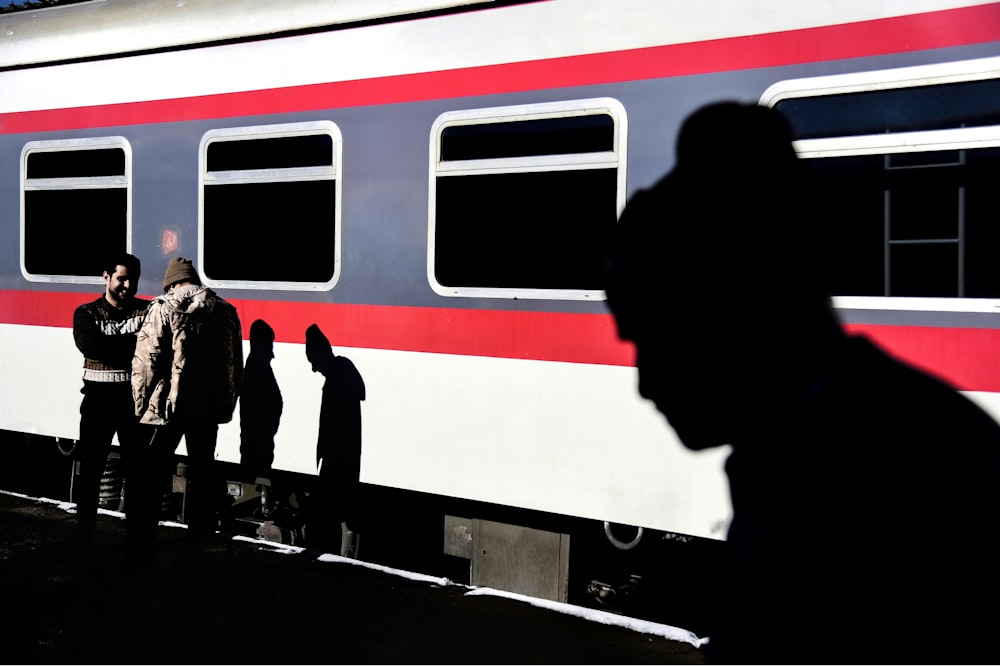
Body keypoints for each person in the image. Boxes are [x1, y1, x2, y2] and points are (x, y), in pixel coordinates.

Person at [603, 101, 1000, 664]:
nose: (645, 383)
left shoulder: (869, 493)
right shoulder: (897, 440)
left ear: (731, 313)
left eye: (655, 338)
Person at [132, 256, 243, 549]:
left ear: (171, 283)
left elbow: (147, 361)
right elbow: (236, 365)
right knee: (202, 469)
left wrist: (140, 404)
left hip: (167, 406)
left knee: (154, 470)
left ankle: (144, 536)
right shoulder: (225, 310)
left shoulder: (163, 307)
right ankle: (199, 533)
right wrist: (227, 402)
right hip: (208, 408)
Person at [71, 252, 150, 556]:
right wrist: (134, 346)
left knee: (137, 474)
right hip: (97, 403)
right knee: (91, 471)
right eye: (121, 278)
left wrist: (116, 346)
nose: (127, 285)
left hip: (132, 403)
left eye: (132, 279)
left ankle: (136, 541)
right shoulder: (86, 313)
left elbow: (154, 346)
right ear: (106, 277)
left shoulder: (146, 310)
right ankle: (82, 535)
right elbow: (91, 347)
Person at [304, 323, 365, 557]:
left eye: (312, 360)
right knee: (343, 513)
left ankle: (335, 564)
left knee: (334, 513)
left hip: (337, 459)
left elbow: (333, 424)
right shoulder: (344, 373)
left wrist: (328, 455)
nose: (313, 368)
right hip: (342, 457)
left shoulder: (337, 378)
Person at [239, 318, 283, 519]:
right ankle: (263, 504)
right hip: (259, 438)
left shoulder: (254, 365)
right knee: (260, 471)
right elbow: (272, 402)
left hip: (256, 437)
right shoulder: (259, 367)